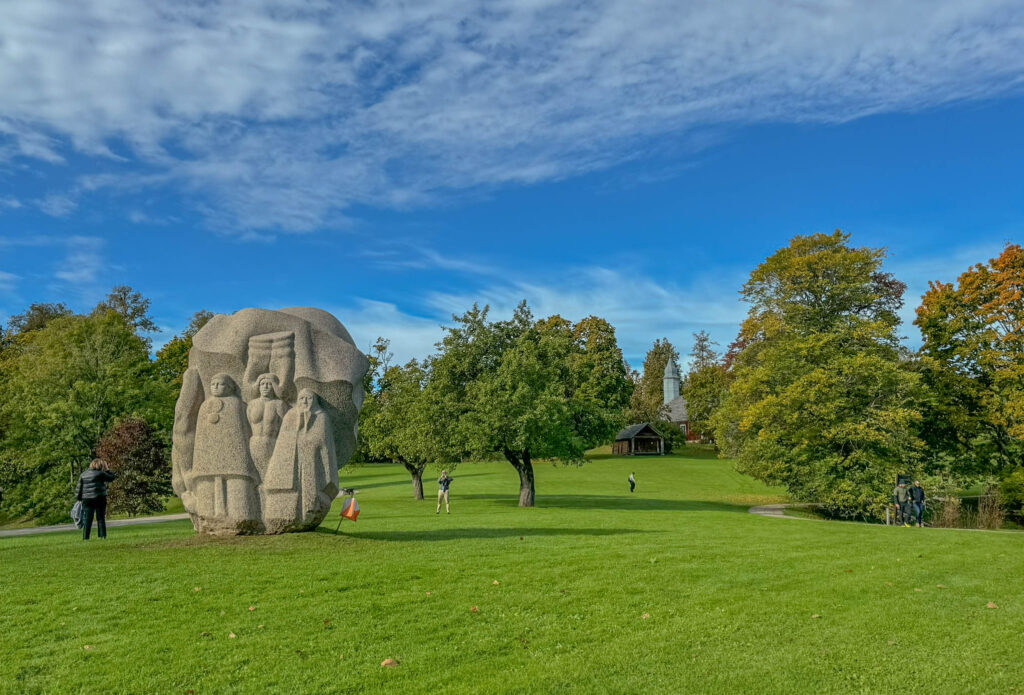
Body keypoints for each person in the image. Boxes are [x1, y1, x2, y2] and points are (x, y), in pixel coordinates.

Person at [76, 459, 116, 540]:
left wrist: (79, 498)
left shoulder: (83, 474)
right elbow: (112, 478)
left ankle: (86, 537)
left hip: (87, 499)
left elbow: (79, 488)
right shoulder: (101, 473)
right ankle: (102, 536)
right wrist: (107, 469)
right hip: (99, 498)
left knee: (87, 519)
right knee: (100, 518)